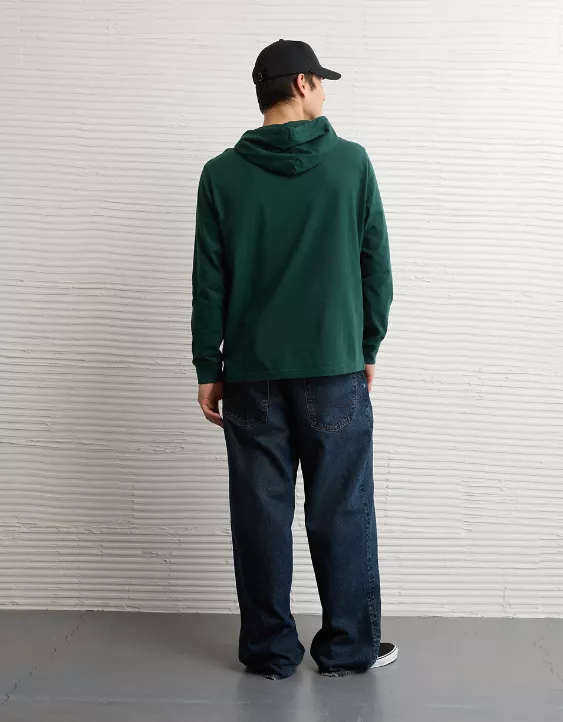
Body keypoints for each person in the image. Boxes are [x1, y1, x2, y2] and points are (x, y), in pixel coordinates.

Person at [191, 39, 396, 680]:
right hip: (334, 368)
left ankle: (270, 652)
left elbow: (209, 281)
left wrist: (208, 367)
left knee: (260, 513)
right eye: (321, 81)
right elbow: (376, 268)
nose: (324, 92)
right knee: (343, 509)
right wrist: (365, 347)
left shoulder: (221, 174)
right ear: (302, 83)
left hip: (251, 375)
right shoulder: (351, 163)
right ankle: (348, 649)